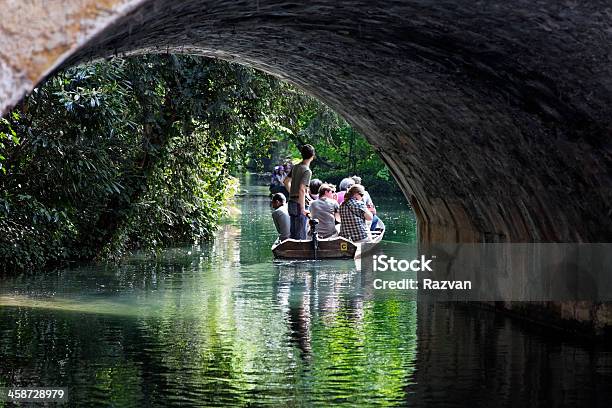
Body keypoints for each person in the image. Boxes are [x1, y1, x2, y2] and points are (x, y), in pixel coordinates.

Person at [288, 144, 315, 239]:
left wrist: (292, 193)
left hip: (291, 202)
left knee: (293, 233)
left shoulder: (295, 167)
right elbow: (302, 189)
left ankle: (292, 252)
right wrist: (303, 208)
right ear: (312, 156)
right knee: (301, 235)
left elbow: (286, 181)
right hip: (299, 204)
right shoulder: (307, 171)